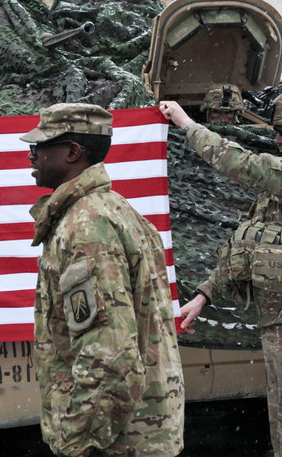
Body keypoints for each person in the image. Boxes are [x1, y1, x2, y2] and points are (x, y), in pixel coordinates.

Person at [162, 87, 282, 456]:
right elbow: (250, 244)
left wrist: (187, 124)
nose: (276, 140)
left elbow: (245, 165)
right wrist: (206, 293)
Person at [21, 102, 184, 456]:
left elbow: (109, 356)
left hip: (115, 440)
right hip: (135, 430)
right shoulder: (113, 209)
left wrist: (76, 441)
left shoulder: (86, 226)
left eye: (39, 147)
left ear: (72, 152)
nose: (31, 156)